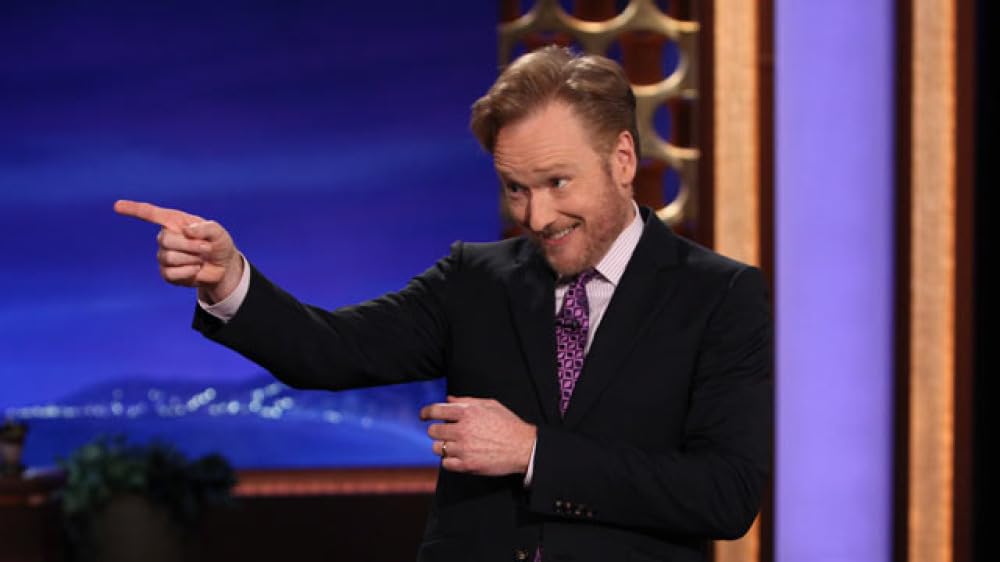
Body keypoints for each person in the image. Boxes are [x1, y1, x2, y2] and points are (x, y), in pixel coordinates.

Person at [115, 46, 771, 562]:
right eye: (515, 188)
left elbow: (726, 495)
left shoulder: (720, 295)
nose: (536, 216)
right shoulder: (475, 279)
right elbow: (329, 351)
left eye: (556, 182)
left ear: (622, 159)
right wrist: (228, 279)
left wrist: (534, 452)